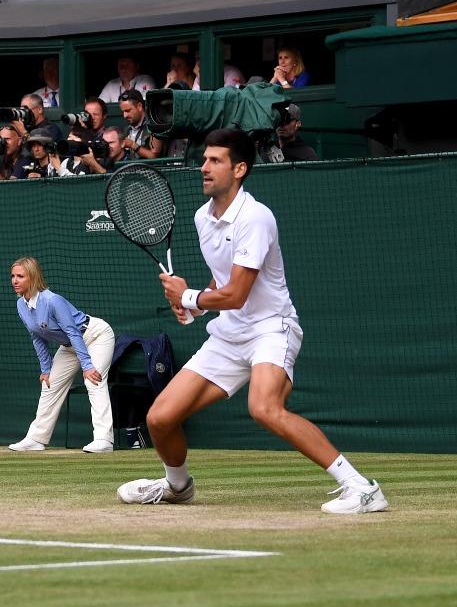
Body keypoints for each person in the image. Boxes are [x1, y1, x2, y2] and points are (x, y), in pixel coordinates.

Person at [119, 128, 388, 514]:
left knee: (264, 407)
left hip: (271, 329)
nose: (204, 168)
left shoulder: (256, 218)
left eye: (215, 161)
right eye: (204, 160)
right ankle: (178, 487)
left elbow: (238, 294)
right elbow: (223, 278)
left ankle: (362, 488)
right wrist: (194, 307)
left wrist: (189, 296)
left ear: (240, 168)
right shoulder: (201, 217)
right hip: (229, 335)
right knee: (160, 418)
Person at [8, 256, 115, 453]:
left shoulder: (52, 300)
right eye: (13, 276)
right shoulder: (21, 305)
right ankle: (36, 438)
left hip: (95, 335)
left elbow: (73, 332)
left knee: (94, 380)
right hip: (69, 345)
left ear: (32, 277)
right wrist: (46, 369)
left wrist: (87, 366)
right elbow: (37, 337)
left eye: (20, 276)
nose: (15, 280)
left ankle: (104, 440)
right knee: (50, 383)